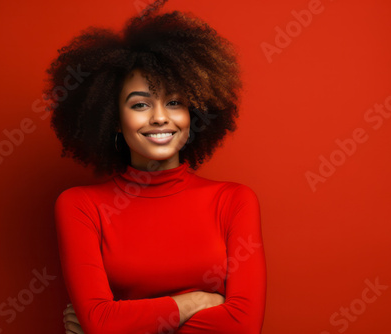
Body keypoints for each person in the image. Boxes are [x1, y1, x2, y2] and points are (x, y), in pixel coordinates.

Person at [46, 0, 267, 333]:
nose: (160, 116)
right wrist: (197, 302)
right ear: (113, 119)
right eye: (140, 104)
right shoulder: (80, 207)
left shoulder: (234, 201)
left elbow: (242, 325)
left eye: (175, 102)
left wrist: (123, 319)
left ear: (193, 112)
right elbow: (100, 323)